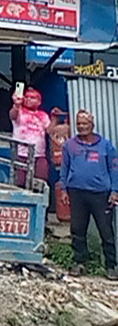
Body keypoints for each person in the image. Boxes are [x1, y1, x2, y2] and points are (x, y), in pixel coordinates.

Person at [62, 109, 118, 278]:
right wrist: (64, 189)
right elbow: (64, 169)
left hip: (101, 194)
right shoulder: (69, 145)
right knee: (77, 229)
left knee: (106, 231)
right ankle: (80, 263)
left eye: (85, 123)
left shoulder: (105, 145)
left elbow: (114, 169)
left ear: (92, 125)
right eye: (79, 124)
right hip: (77, 193)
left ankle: (111, 266)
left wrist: (115, 191)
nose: (82, 127)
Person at [10, 84, 50, 189]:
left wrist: (54, 118)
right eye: (26, 97)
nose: (28, 99)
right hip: (21, 154)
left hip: (39, 155)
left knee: (40, 183)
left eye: (32, 98)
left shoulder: (44, 115)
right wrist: (16, 105)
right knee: (20, 184)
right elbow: (12, 115)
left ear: (39, 102)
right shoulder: (20, 112)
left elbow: (50, 131)